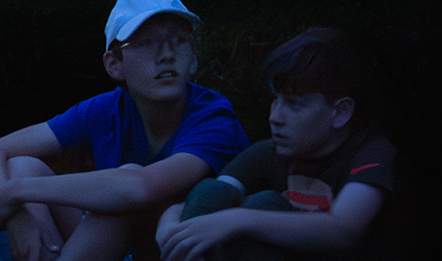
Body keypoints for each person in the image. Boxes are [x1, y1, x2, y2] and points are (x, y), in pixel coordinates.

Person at [0, 0, 248, 261]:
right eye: (146, 42)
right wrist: (16, 216)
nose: (167, 54)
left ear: (194, 59)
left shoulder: (214, 117)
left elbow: (140, 187)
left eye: (179, 40)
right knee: (23, 166)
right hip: (125, 249)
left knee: (120, 199)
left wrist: (17, 192)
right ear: (114, 65)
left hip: (191, 252)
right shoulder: (105, 109)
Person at [156, 28, 394, 261]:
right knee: (211, 190)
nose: (275, 117)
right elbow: (207, 198)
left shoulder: (371, 154)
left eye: (294, 104)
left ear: (340, 112)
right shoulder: (269, 152)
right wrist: (170, 227)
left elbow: (344, 229)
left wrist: (240, 220)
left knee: (263, 204)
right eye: (276, 100)